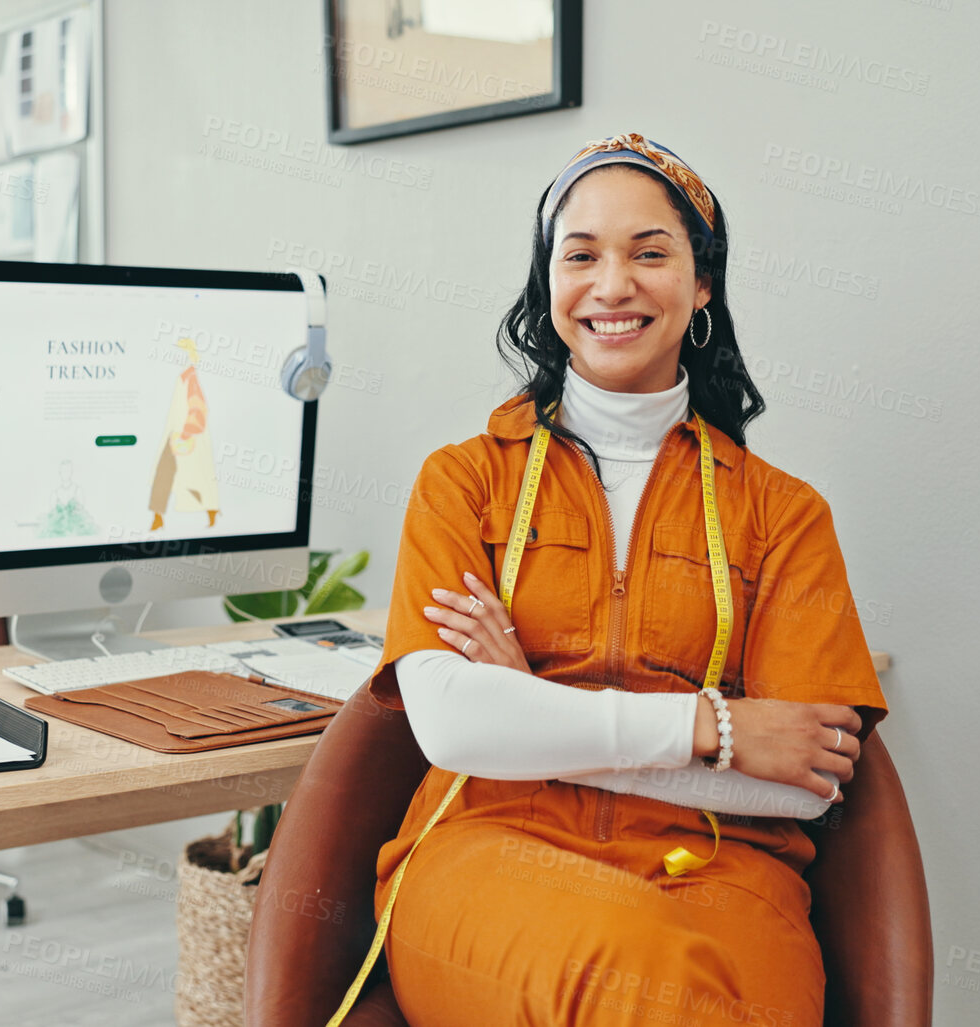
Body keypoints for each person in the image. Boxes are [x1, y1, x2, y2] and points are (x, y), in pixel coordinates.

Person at [363, 134, 889, 1026]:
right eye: (581, 256)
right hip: (494, 842)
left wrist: (527, 710)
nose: (612, 286)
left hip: (725, 869)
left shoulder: (783, 513)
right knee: (646, 984)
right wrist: (713, 727)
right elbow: (453, 724)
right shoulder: (465, 481)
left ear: (703, 282)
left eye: (651, 252)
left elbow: (802, 780)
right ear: (549, 282)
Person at [147, 336, 222, 530]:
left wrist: (185, 435)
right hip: (175, 436)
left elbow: (199, 410)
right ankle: (158, 517)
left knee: (197, 479)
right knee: (165, 474)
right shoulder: (181, 378)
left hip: (186, 438)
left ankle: (212, 512)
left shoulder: (190, 379)